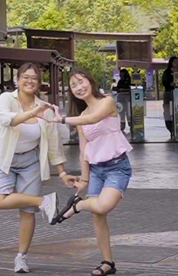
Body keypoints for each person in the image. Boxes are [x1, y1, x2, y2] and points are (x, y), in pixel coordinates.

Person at [0, 62, 78, 274]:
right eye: (25, 77)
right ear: (17, 80)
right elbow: (7, 120)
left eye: (34, 78)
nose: (29, 81)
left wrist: (62, 172)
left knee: (27, 212)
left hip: (30, 162)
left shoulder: (45, 108)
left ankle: (21, 258)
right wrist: (33, 112)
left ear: (39, 83)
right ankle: (43, 201)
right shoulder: (7, 99)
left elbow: (53, 143)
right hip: (4, 158)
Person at [45, 67, 133, 276]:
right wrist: (84, 180)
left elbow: (93, 119)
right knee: (98, 216)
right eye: (73, 85)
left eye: (81, 81)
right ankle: (107, 263)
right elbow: (84, 149)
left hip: (117, 166)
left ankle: (78, 206)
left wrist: (62, 119)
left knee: (103, 205)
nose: (79, 87)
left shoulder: (107, 102)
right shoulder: (81, 116)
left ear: (90, 81)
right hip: (96, 169)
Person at [161, 56, 178, 137]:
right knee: (168, 111)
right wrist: (171, 84)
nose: (177, 63)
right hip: (168, 93)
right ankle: (170, 128)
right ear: (171, 62)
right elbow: (164, 82)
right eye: (175, 61)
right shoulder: (167, 72)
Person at [111, 68, 132, 133]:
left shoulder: (129, 81)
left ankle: (129, 124)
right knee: (122, 112)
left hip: (126, 99)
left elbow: (130, 88)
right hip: (122, 99)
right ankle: (123, 124)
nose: (120, 75)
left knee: (127, 112)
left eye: (121, 73)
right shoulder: (120, 81)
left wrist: (120, 89)